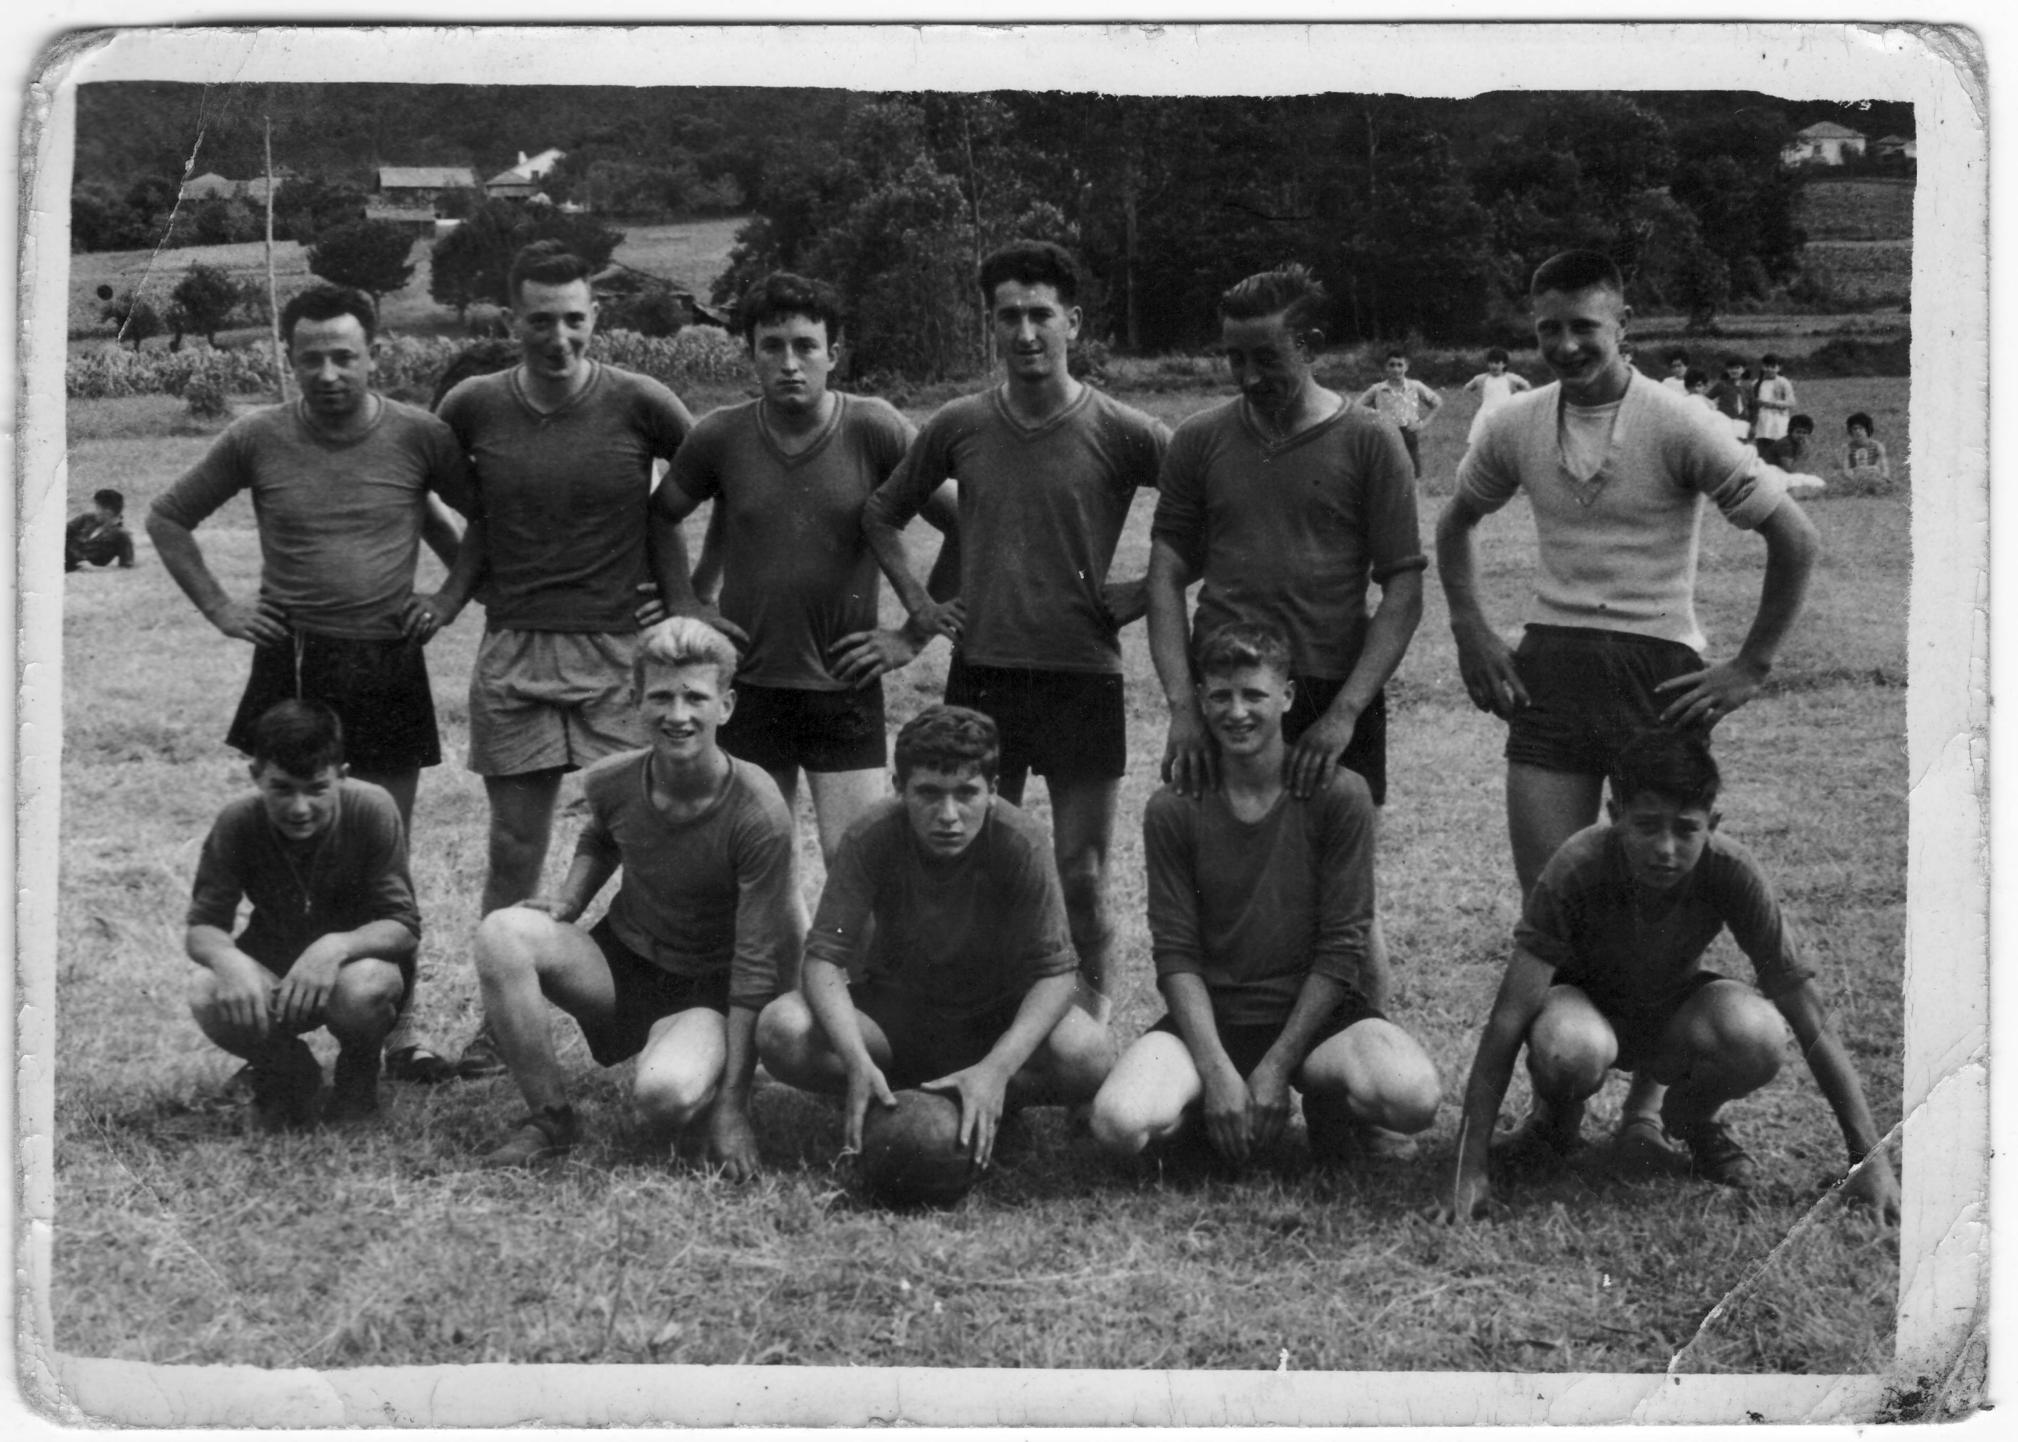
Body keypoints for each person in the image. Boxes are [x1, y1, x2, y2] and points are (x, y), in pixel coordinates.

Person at [1433, 248, 1818, 1141]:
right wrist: (1472, 629)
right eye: (1548, 329)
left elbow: (1793, 536)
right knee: (1553, 902)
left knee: (1663, 895)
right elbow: (1455, 526)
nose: (1567, 345)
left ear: (1623, 326)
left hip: (1659, 674)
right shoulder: (1517, 422)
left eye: (1585, 328)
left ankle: (1647, 1110)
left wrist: (1750, 666)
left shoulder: (1680, 421)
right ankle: (1557, 1106)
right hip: (1553, 671)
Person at [148, 282, 473, 1084]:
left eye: (344, 355)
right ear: (288, 359)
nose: (328, 373)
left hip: (388, 659)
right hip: (291, 664)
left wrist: (449, 595)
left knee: (383, 853)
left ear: (375, 353)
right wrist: (223, 607)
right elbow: (166, 517)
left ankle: (398, 1034)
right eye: (310, 359)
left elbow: (489, 519)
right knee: (289, 842)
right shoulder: (256, 435)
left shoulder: (421, 435)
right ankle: (272, 1022)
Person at [862, 240, 1169, 1017]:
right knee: (973, 864)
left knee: (1082, 874)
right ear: (991, 327)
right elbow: (880, 512)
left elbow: (1214, 503)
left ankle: (1090, 1029)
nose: (1026, 333)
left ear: (1072, 320)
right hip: (984, 678)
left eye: (1041, 315)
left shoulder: (1124, 427)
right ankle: (981, 1021)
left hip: (1082, 676)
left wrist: (1150, 584)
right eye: (1009, 317)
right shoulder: (960, 424)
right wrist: (922, 617)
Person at [1441, 730, 1900, 1224]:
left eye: (1686, 829)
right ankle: (1554, 1123)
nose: (1666, 848)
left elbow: (1806, 1011)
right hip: (1585, 1010)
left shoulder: (1732, 870)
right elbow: (1508, 1019)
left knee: (1760, 1034)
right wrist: (1468, 1167)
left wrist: (1868, 1160)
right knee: (1568, 1047)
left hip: (1671, 1016)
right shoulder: (1577, 864)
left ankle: (1691, 1120)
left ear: (1712, 824)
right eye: (1647, 826)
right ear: (1615, 818)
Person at [436, 240, 703, 1076]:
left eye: (575, 320)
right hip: (514, 649)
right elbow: (447, 503)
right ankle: (500, 1025)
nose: (558, 337)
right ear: (511, 319)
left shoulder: (642, 402)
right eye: (540, 320)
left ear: (597, 318)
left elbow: (718, 481)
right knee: (515, 846)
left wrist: (688, 600)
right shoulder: (472, 405)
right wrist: (457, 592)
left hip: (617, 651)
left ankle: (659, 1008)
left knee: (642, 837)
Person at [1148, 263, 1424, 1012]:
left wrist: (1345, 715)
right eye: (1233, 357)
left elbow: (1402, 585)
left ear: (1313, 345)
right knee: (1222, 877)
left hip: (1332, 693)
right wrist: (1183, 707)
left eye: (1265, 356)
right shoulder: (1200, 441)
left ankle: (1372, 1063)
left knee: (1344, 893)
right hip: (1227, 695)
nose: (1246, 375)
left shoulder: (1371, 442)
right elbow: (1166, 574)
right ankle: (1219, 1061)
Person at [1091, 623, 1440, 1169]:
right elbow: (1176, 953)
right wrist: (1216, 1070)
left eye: (1254, 694)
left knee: (1412, 1096)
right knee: (1118, 1122)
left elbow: (1342, 945)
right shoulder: (1174, 806)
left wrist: (1277, 1067)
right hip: (1216, 1019)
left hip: (1314, 1020)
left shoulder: (1341, 794)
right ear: (1202, 700)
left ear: (1287, 696)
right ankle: (1208, 1111)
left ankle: (1328, 1104)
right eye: (1221, 696)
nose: (1237, 712)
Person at [470, 618, 804, 1175]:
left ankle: (711, 1066)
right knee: (502, 933)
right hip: (625, 965)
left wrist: (733, 1108)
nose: (678, 715)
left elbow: (756, 963)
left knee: (664, 1095)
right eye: (662, 697)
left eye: (695, 697)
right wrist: (570, 901)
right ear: (635, 701)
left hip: (709, 988)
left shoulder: (758, 809)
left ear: (726, 705)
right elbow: (601, 833)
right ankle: (550, 1118)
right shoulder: (611, 778)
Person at [652, 271, 959, 866]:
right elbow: (662, 515)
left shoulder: (874, 427)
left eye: (805, 346)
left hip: (843, 684)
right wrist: (685, 605)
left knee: (858, 863)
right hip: (748, 684)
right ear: (752, 355)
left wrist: (911, 637)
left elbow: (965, 524)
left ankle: (850, 967)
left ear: (833, 355)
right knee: (759, 865)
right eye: (772, 347)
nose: (790, 363)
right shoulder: (721, 435)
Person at [757, 706, 1113, 1167]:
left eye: (966, 793)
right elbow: (824, 957)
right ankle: (887, 1087)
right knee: (781, 1029)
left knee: (1090, 1055)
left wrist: (998, 1069)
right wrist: (854, 1059)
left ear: (992, 790)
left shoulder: (1019, 840)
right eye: (929, 793)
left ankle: (985, 1091)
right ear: (899, 788)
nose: (948, 814)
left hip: (995, 1015)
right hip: (898, 1014)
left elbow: (1056, 976)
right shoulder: (871, 834)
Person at [183, 700, 418, 1129]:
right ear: (256, 776)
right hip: (273, 968)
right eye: (282, 788)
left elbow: (402, 926)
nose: (299, 807)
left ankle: (358, 1076)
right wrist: (229, 960)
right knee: (205, 990)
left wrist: (335, 947)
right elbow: (203, 927)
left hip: (351, 972)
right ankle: (289, 1072)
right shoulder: (237, 820)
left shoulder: (373, 808)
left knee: (365, 988)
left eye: (316, 788)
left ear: (342, 776)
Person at [1356, 349, 1443, 478]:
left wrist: (1423, 424)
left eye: (1400, 365)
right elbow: (1357, 407)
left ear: (1406, 367)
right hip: (1386, 435)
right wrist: (1376, 415)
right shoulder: (1378, 389)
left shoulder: (1415, 386)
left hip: (1408, 433)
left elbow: (1437, 403)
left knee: (1411, 475)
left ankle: (1413, 497)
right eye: (1392, 365)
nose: (1396, 369)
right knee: (1386, 475)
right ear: (1386, 367)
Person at [1462, 347, 1534, 449]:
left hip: (1506, 412)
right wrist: (1475, 401)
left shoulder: (1511, 378)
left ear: (1504, 364)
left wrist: (1519, 399)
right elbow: (1467, 388)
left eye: (1497, 363)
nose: (1494, 366)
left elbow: (1526, 386)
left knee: (1506, 440)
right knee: (1480, 440)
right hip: (1486, 412)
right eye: (1491, 363)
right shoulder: (1481, 378)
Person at [65, 487, 135, 571]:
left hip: (74, 565)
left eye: (97, 508)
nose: (95, 511)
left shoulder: (122, 535)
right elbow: (60, 532)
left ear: (108, 512)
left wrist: (96, 569)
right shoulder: (86, 518)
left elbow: (126, 566)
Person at [1750, 353, 1796, 455]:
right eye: (1766, 366)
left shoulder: (1783, 382)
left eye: (1773, 367)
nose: (1769, 369)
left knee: (1778, 444)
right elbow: (1751, 402)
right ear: (1762, 367)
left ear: (1779, 368)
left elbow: (1791, 402)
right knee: (1762, 445)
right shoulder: (1756, 383)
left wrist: (1772, 404)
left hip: (1778, 419)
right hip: (1762, 420)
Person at [1837, 412, 1893, 492]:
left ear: (1867, 429)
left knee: (1875, 471)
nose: (1857, 431)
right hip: (1855, 477)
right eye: (1854, 428)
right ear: (1851, 431)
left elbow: (1885, 468)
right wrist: (1852, 478)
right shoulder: (1848, 448)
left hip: (1873, 476)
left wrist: (1883, 478)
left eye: (1861, 428)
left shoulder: (1878, 446)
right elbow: (1846, 469)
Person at [1706, 354, 1752, 440]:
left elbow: (1752, 405)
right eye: (1731, 368)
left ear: (1744, 369)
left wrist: (1752, 423)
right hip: (1725, 420)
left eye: (1737, 368)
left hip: (1742, 422)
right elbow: (1706, 398)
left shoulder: (1748, 385)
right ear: (1727, 370)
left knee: (1740, 445)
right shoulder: (1722, 384)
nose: (1734, 371)